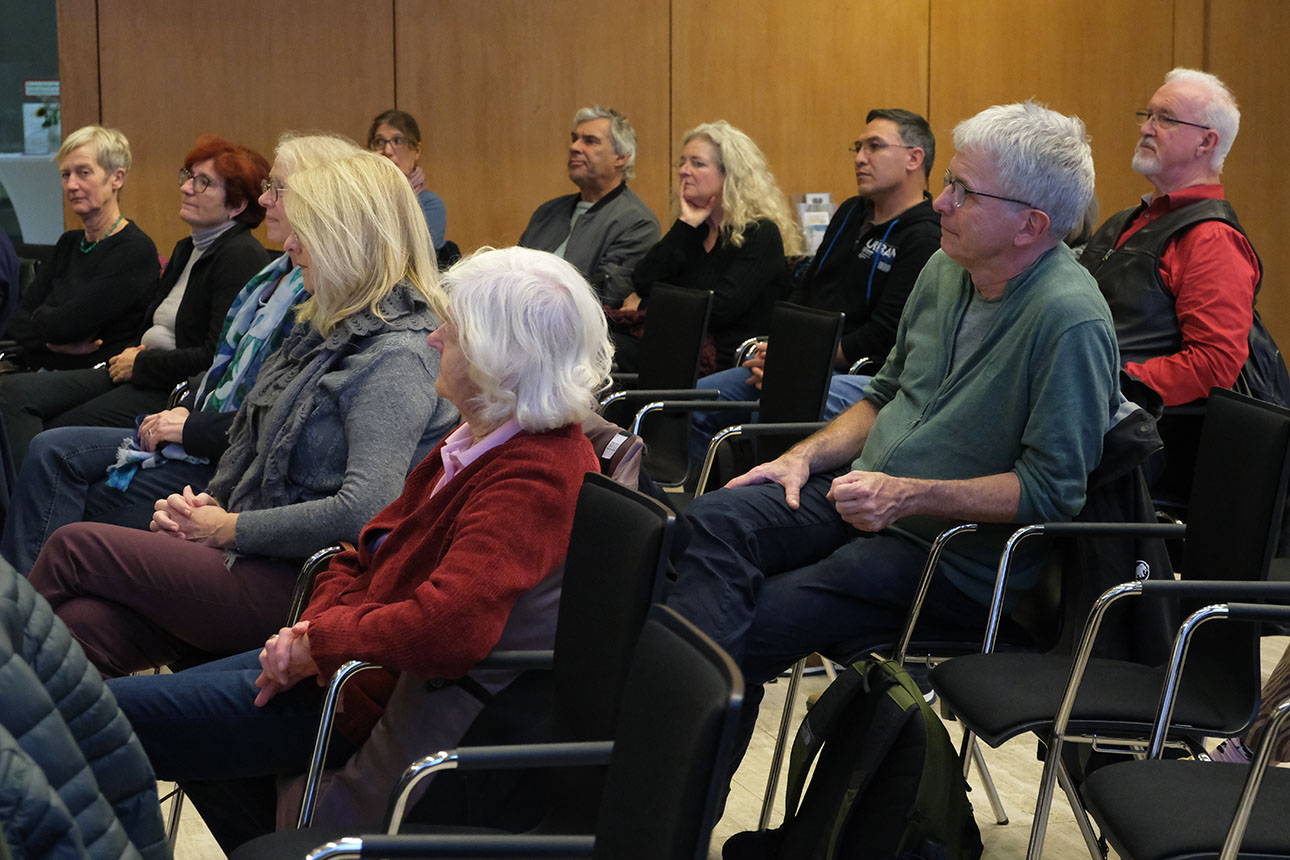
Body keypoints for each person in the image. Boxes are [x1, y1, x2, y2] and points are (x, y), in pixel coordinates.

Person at [665, 102, 1120, 782]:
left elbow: (1052, 492)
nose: (941, 201)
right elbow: (882, 395)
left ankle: (668, 796)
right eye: (950, 182)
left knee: (746, 627)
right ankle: (665, 760)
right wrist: (801, 457)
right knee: (708, 522)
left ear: (1031, 225)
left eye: (965, 192)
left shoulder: (1069, 321)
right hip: (863, 499)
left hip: (949, 556)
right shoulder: (943, 269)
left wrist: (907, 495)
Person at [105, 245, 612, 851]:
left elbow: (450, 626)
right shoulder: (476, 441)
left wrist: (320, 643)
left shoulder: (535, 475)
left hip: (365, 695)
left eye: (452, 331)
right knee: (118, 714)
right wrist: (315, 634)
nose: (434, 338)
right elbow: (361, 550)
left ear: (497, 359)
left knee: (96, 721)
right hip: (343, 668)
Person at [27, 150, 460, 677]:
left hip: (314, 584)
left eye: (306, 232)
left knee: (74, 546)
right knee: (81, 628)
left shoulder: (396, 354)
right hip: (262, 558)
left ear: (350, 241)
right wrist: (211, 505)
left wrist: (228, 527)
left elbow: (364, 511)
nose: (290, 244)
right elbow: (260, 450)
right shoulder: (323, 331)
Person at [0, 133, 361, 575]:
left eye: (277, 189)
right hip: (183, 400)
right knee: (44, 439)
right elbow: (23, 321)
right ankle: (25, 598)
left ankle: (26, 601)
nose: (266, 200)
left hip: (208, 436)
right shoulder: (262, 272)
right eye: (189, 177)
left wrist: (185, 418)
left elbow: (263, 412)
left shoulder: (290, 281)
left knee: (53, 450)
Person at [0, 135, 271, 477]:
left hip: (168, 388)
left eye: (203, 182)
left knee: (48, 427)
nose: (186, 188)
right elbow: (20, 322)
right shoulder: (188, 248)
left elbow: (215, 358)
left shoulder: (239, 256)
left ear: (237, 205)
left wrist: (141, 363)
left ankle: (29, 505)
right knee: (12, 392)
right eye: (189, 177)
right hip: (134, 369)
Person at [690, 109, 940, 458]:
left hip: (858, 374)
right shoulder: (851, 212)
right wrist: (779, 348)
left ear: (914, 158)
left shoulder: (926, 236)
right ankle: (699, 489)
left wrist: (794, 361)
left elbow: (883, 334)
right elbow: (805, 288)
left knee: (777, 413)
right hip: (800, 359)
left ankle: (761, 490)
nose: (860, 158)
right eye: (858, 147)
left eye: (874, 146)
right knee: (693, 404)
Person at [1081, 68, 1259, 408]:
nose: (1146, 128)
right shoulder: (1127, 220)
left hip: (1140, 428)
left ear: (1206, 142)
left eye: (1166, 119)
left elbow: (1213, 365)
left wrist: (1106, 383)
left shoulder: (1212, 239)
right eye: (1148, 115)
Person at [622, 120, 803, 372]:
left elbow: (719, 309)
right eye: (683, 162)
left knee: (617, 355)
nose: (683, 171)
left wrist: (645, 306)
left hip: (728, 358)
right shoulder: (693, 232)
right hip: (677, 345)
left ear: (730, 175)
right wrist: (685, 224)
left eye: (697, 163)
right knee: (608, 350)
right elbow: (642, 279)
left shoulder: (761, 234)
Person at [3, 125, 159, 370]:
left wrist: (41, 319)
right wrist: (52, 343)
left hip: (94, 377)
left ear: (117, 178)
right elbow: (16, 321)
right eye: (65, 175)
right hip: (43, 370)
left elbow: (68, 326)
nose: (71, 185)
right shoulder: (69, 243)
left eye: (83, 173)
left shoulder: (135, 250)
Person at [519, 105, 660, 306]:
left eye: (590, 141)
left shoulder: (638, 223)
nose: (574, 147)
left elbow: (604, 297)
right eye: (574, 139)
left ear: (621, 157)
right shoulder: (547, 212)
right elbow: (512, 273)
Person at [367, 109, 448, 253]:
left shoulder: (430, 204)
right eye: (379, 142)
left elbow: (415, 255)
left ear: (417, 150)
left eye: (398, 141)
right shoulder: (363, 200)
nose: (387, 151)